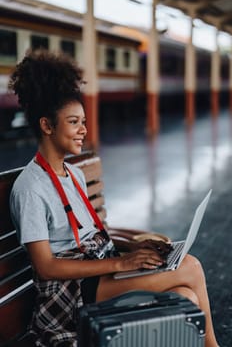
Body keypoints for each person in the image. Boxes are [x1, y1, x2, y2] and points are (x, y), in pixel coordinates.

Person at [9, 50, 219, 347]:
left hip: (97, 274)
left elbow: (89, 235)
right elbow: (46, 267)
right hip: (69, 295)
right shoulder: (30, 187)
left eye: (83, 121)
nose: (84, 129)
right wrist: (122, 265)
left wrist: (134, 247)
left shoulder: (75, 175)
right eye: (74, 122)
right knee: (191, 268)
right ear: (46, 125)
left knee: (185, 298)